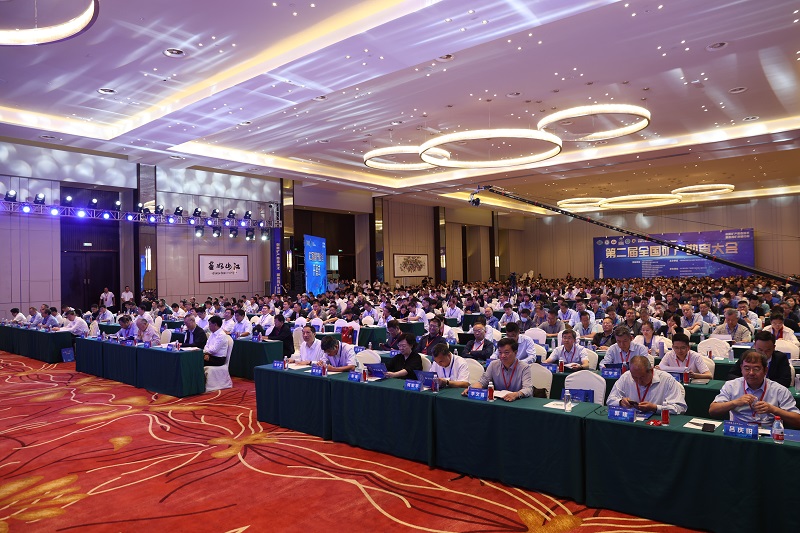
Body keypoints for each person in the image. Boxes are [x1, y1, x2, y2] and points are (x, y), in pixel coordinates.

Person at [710, 350, 800, 428]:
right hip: (739, 431)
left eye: (756, 369)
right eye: (747, 368)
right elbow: (712, 410)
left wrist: (773, 409)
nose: (751, 373)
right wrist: (735, 403)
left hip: (768, 433)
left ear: (765, 370)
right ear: (741, 369)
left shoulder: (779, 390)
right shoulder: (731, 385)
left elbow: (797, 420)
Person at [607, 355, 687, 414]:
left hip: (656, 425)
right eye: (635, 377)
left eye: (642, 377)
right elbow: (610, 400)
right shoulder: (626, 376)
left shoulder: (667, 380)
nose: (638, 381)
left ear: (651, 371)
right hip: (631, 420)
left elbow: (680, 408)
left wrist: (655, 408)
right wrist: (620, 402)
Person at [462, 338, 532, 402]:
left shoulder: (524, 367)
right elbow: (483, 382)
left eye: (506, 352)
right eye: (500, 352)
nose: (502, 356)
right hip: (499, 400)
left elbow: (528, 389)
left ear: (515, 353)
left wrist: (516, 394)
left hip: (517, 401)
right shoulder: (493, 365)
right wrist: (472, 389)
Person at [727, 330, 792, 387]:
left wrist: (762, 384)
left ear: (773, 347)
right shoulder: (747, 356)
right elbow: (731, 375)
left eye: (767, 350)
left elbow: (786, 381)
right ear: (754, 346)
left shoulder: (781, 358)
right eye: (760, 350)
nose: (763, 353)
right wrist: (749, 381)